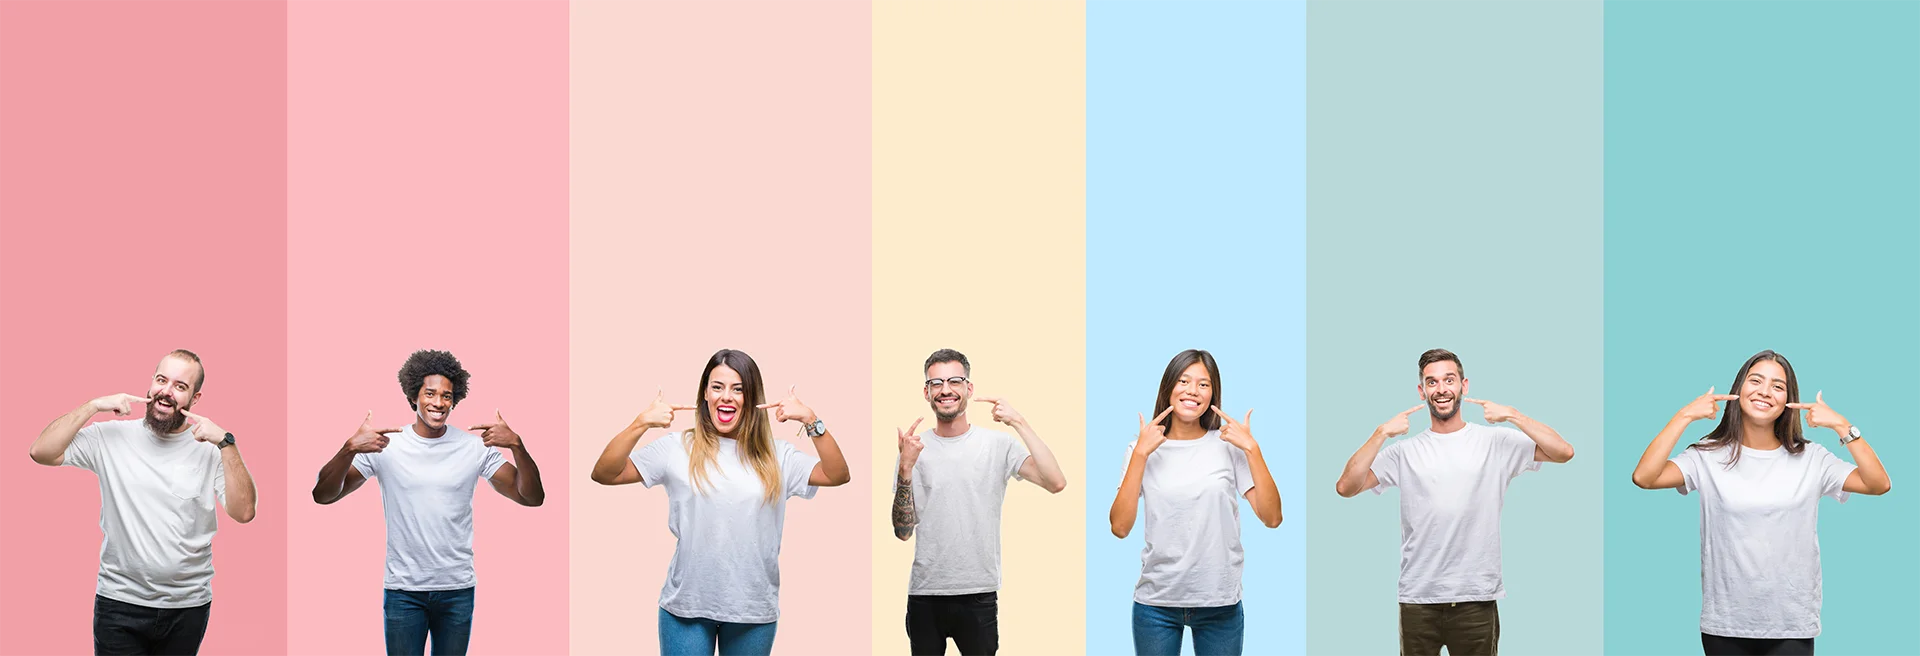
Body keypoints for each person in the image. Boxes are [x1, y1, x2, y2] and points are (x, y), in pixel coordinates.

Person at [590, 349, 852, 656]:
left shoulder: (778, 455)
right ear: (705, 393)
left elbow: (837, 474)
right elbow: (605, 473)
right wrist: (640, 423)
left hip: (752, 611)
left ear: (752, 397)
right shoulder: (676, 448)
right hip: (686, 608)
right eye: (717, 387)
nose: (726, 396)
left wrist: (811, 419)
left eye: (738, 389)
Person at [1630, 350, 1892, 656]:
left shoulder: (1812, 458)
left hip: (1791, 624)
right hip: (1726, 624)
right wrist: (1684, 415)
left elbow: (1878, 484)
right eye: (1756, 381)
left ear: (1788, 400)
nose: (1765, 391)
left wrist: (1842, 426)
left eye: (1778, 386)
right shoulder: (1707, 456)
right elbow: (1645, 477)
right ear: (1739, 388)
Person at [1334, 348, 1574, 656]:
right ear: (1422, 391)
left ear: (1464, 385)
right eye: (1432, 382)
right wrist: (1380, 433)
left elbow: (1563, 452)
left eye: (1449, 380)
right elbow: (1346, 487)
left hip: (1476, 598)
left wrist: (1513, 415)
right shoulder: (1404, 452)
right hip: (1419, 598)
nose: (1441, 389)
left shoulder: (1495, 442)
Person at [310, 349, 545, 656]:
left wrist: (517, 445)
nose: (438, 403)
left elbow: (532, 497)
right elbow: (324, 495)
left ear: (454, 400)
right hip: (404, 591)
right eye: (430, 393)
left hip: (457, 589)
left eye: (446, 396)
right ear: (414, 396)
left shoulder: (474, 448)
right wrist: (349, 449)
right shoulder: (385, 447)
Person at [29, 349, 258, 656]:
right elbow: (41, 452)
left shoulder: (211, 449)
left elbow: (244, 512)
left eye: (180, 386)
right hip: (119, 603)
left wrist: (226, 443)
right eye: (161, 380)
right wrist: (93, 405)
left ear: (195, 398)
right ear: (151, 383)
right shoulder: (110, 437)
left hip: (187, 606)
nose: (166, 391)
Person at [890, 348, 1068, 656]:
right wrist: (905, 468)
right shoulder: (913, 450)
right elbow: (903, 532)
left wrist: (1018, 421)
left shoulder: (997, 444)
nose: (945, 389)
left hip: (978, 593)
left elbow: (1056, 482)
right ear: (926, 392)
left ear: (969, 388)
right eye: (936, 383)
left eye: (954, 381)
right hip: (925, 593)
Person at [1107, 349, 1282, 656]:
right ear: (1168, 387)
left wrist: (1252, 449)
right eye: (1184, 381)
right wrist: (1141, 454)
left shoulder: (1229, 446)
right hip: (1156, 604)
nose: (1192, 390)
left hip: (1220, 603)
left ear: (1213, 394)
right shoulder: (1140, 449)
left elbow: (1272, 518)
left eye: (1204, 384)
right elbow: (1120, 527)